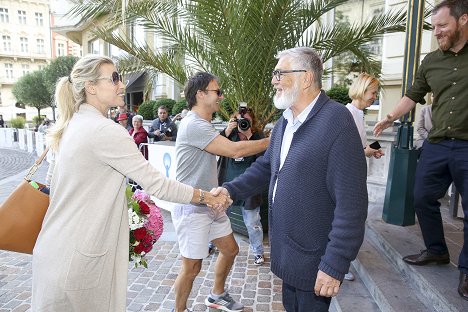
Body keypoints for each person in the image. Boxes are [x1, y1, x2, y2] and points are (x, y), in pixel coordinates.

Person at [33, 55, 231, 311]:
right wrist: (210, 197)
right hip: (80, 260)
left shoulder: (70, 124)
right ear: (91, 87)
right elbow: (159, 185)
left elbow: (54, 185)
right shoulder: (104, 130)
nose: (122, 84)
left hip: (54, 250)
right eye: (114, 78)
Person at [213, 47, 368, 312]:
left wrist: (335, 263)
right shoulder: (286, 120)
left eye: (280, 74)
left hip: (315, 261)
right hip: (289, 256)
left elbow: (352, 204)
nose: (273, 80)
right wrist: (229, 191)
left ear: (306, 78)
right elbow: (265, 167)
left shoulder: (337, 121)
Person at [373, 0, 468, 300]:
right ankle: (438, 250)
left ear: (463, 20)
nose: (436, 31)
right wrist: (388, 117)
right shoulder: (430, 61)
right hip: (438, 144)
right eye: (434, 26)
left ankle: (466, 270)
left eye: (442, 25)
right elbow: (412, 96)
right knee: (422, 197)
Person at [172, 71, 270, 312]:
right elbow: (235, 151)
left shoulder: (202, 124)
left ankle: (217, 295)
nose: (221, 96)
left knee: (230, 249)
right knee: (192, 267)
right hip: (192, 205)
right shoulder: (194, 124)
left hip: (212, 202)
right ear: (201, 94)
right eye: (217, 91)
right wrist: (273, 139)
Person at [217, 108, 266, 266]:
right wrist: (227, 130)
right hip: (228, 184)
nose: (243, 124)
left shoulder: (258, 136)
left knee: (253, 222)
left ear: (253, 122)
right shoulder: (228, 135)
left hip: (249, 187)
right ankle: (212, 244)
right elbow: (215, 146)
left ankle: (258, 251)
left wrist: (250, 136)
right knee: (218, 217)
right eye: (240, 121)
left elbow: (264, 160)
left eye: (247, 121)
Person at [347, 73, 385, 159]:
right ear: (362, 90)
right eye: (373, 93)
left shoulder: (358, 113)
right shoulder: (347, 114)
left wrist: (371, 150)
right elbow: (343, 149)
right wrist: (365, 152)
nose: (375, 97)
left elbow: (357, 145)